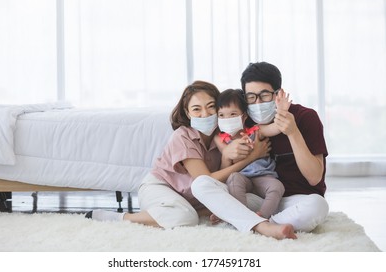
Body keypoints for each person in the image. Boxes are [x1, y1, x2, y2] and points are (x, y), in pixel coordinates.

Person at [85, 80, 297, 240]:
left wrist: (226, 156)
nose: (205, 113)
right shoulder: (183, 137)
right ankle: (120, 218)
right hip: (162, 188)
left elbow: (220, 180)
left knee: (254, 200)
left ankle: (206, 211)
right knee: (185, 219)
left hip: (195, 198)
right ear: (188, 112)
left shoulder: (223, 136)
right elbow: (204, 180)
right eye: (197, 109)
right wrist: (253, 157)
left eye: (211, 106)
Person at [192, 62, 329, 232]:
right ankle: (263, 226)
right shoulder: (243, 120)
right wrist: (227, 155)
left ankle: (251, 223)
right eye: (251, 97)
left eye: (264, 95)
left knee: (318, 206)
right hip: (254, 197)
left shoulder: (305, 117)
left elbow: (314, 177)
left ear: (279, 93)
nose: (257, 103)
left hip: (294, 200)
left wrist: (293, 133)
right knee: (201, 183)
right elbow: (229, 171)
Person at [215, 88, 291, 218]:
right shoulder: (220, 139)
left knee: (277, 186)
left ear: (243, 116)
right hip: (241, 178)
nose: (226, 118)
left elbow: (276, 128)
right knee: (233, 178)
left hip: (263, 176)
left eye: (232, 114)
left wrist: (282, 112)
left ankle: (262, 217)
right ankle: (240, 216)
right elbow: (228, 160)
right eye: (221, 115)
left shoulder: (256, 131)